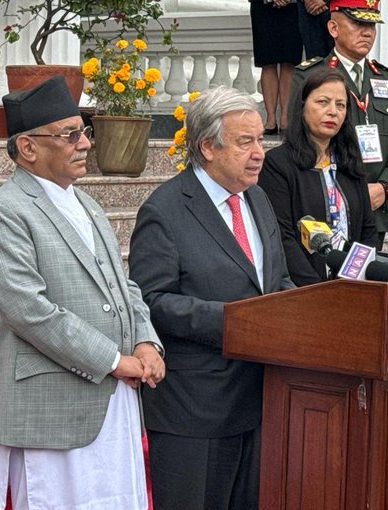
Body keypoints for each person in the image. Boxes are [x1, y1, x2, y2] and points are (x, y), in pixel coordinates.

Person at [0, 75, 165, 510]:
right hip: (53, 405)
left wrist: (145, 340)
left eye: (84, 131)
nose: (85, 144)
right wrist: (115, 361)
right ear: (28, 148)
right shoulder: (3, 212)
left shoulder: (86, 203)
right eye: (70, 134)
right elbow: (29, 310)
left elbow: (124, 283)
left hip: (112, 401)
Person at [129, 86, 295, 510]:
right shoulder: (165, 210)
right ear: (206, 146)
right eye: (245, 142)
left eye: (261, 139)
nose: (259, 152)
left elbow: (275, 281)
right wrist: (237, 321)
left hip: (260, 401)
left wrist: (304, 314)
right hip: (194, 410)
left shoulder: (256, 198)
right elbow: (150, 301)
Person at [289, 0, 388, 249]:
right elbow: (299, 140)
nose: (367, 32)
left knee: (367, 283)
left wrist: (385, 187)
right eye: (358, 23)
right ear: (333, 28)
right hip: (328, 205)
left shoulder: (387, 79)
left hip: (375, 208)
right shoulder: (311, 76)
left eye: (372, 25)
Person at [259, 67, 378, 286]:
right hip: (302, 291)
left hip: (352, 287)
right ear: (302, 106)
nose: (333, 111)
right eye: (323, 102)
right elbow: (283, 237)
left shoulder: (349, 163)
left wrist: (355, 280)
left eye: (340, 105)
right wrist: (318, 290)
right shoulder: (278, 164)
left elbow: (367, 231)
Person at [249, 0, 303, 134]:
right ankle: (271, 120)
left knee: (289, 62)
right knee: (267, 63)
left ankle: (285, 118)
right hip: (263, 7)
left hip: (293, 7)